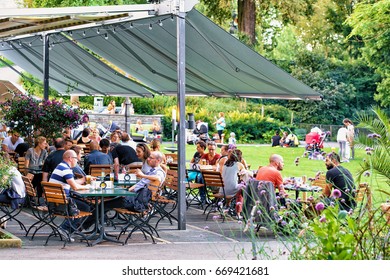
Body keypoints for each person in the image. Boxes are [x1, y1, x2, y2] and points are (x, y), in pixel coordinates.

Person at [48, 150, 91, 241]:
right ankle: (65, 229)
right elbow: (75, 187)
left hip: (56, 201)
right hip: (62, 203)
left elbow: (72, 182)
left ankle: (68, 229)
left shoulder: (61, 166)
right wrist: (87, 186)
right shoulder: (66, 169)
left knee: (84, 204)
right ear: (70, 158)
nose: (77, 161)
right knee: (86, 207)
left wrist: (83, 180)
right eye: (76, 159)